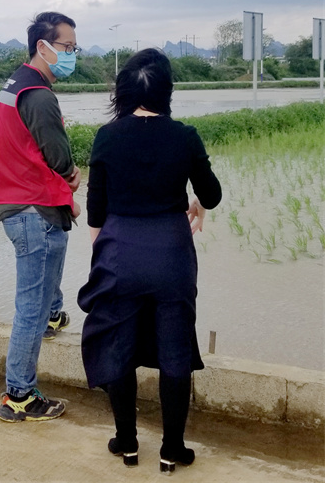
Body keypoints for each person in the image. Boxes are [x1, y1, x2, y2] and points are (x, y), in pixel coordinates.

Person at [78, 48, 222, 472]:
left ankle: (127, 442)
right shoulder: (185, 135)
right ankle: (171, 449)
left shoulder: (107, 136)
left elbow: (96, 206)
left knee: (117, 344)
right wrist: (195, 203)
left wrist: (103, 248)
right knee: (175, 348)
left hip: (119, 248)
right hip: (172, 250)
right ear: (167, 93)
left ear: (122, 91)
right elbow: (211, 195)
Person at [0, 11, 82, 422]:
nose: (71, 55)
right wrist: (71, 175)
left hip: (19, 203)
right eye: (67, 48)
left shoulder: (16, 82)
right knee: (29, 307)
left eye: (74, 48)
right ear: (43, 46)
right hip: (34, 209)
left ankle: (53, 313)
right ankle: (20, 396)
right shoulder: (40, 94)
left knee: (40, 299)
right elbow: (58, 155)